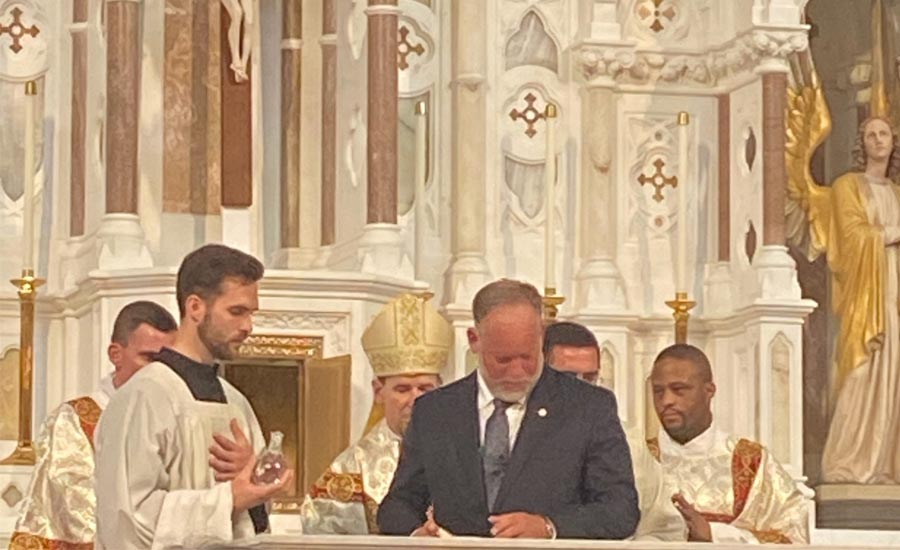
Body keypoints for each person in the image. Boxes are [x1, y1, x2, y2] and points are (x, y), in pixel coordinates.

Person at [377, 279, 639, 539]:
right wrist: (417, 534)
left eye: (527, 357)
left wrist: (549, 527)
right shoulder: (435, 411)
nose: (516, 372)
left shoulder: (587, 407)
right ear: (474, 339)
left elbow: (620, 510)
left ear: (541, 337)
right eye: (502, 359)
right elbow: (399, 504)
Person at [94, 244, 293, 550]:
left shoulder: (235, 402)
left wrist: (254, 479)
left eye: (251, 313)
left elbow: (255, 521)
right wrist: (228, 500)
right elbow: (129, 518)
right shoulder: (144, 395)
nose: (247, 327)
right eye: (236, 311)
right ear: (196, 307)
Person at [7, 301, 176, 550]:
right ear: (115, 354)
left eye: (167, 360)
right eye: (148, 358)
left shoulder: (176, 415)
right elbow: (75, 508)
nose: (160, 371)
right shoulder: (75, 420)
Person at [299, 292, 451, 534]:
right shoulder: (350, 469)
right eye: (402, 389)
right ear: (379, 391)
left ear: (441, 390)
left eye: (425, 388)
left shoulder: (464, 450)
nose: (416, 400)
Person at [649, 344, 809, 543]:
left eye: (679, 389)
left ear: (709, 391)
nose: (666, 400)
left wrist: (713, 534)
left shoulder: (752, 462)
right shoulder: (637, 458)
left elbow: (795, 538)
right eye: (658, 391)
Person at [543, 321, 685, 542]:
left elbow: (661, 528)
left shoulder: (629, 441)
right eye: (570, 378)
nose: (583, 389)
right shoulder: (515, 434)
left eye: (590, 378)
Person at [818, 117, 900, 483]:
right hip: (867, 298)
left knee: (894, 378)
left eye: (884, 134)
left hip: (895, 296)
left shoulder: (897, 192)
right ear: (860, 143)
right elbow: (849, 239)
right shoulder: (847, 186)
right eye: (871, 134)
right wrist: (894, 233)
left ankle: (886, 464)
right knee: (861, 374)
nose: (878, 140)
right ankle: (848, 462)